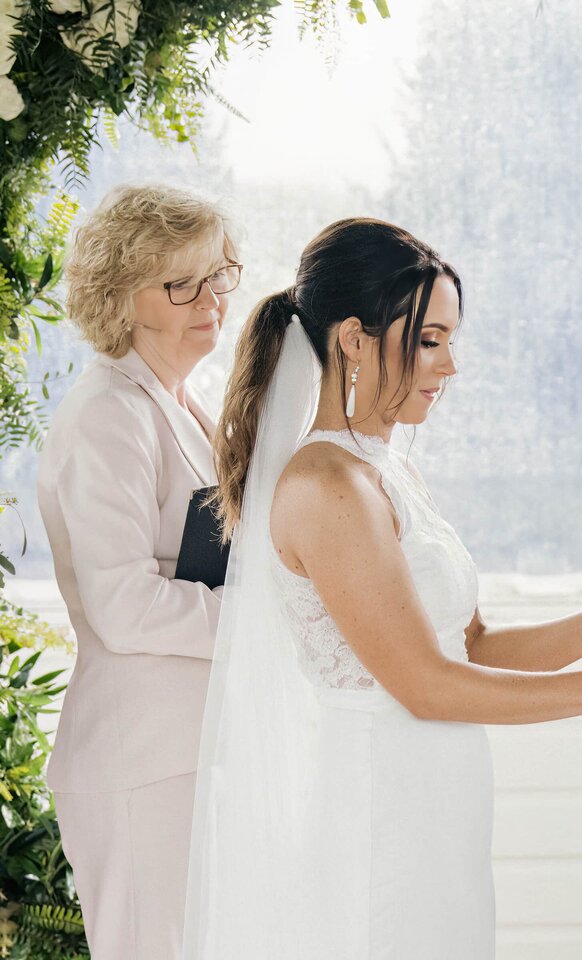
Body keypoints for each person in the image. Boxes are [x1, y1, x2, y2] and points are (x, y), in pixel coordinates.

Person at [183, 217, 582, 959]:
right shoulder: (328, 484)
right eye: (429, 340)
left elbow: (472, 643)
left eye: (451, 339)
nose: (449, 365)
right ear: (353, 339)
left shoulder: (385, 470)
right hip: (380, 801)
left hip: (437, 792)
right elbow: (425, 684)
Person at [37, 183, 240, 960]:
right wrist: (264, 626)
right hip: (139, 758)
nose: (209, 299)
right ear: (122, 298)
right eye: (179, 283)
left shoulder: (187, 404)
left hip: (191, 748)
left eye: (217, 274)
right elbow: (122, 605)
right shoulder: (107, 415)